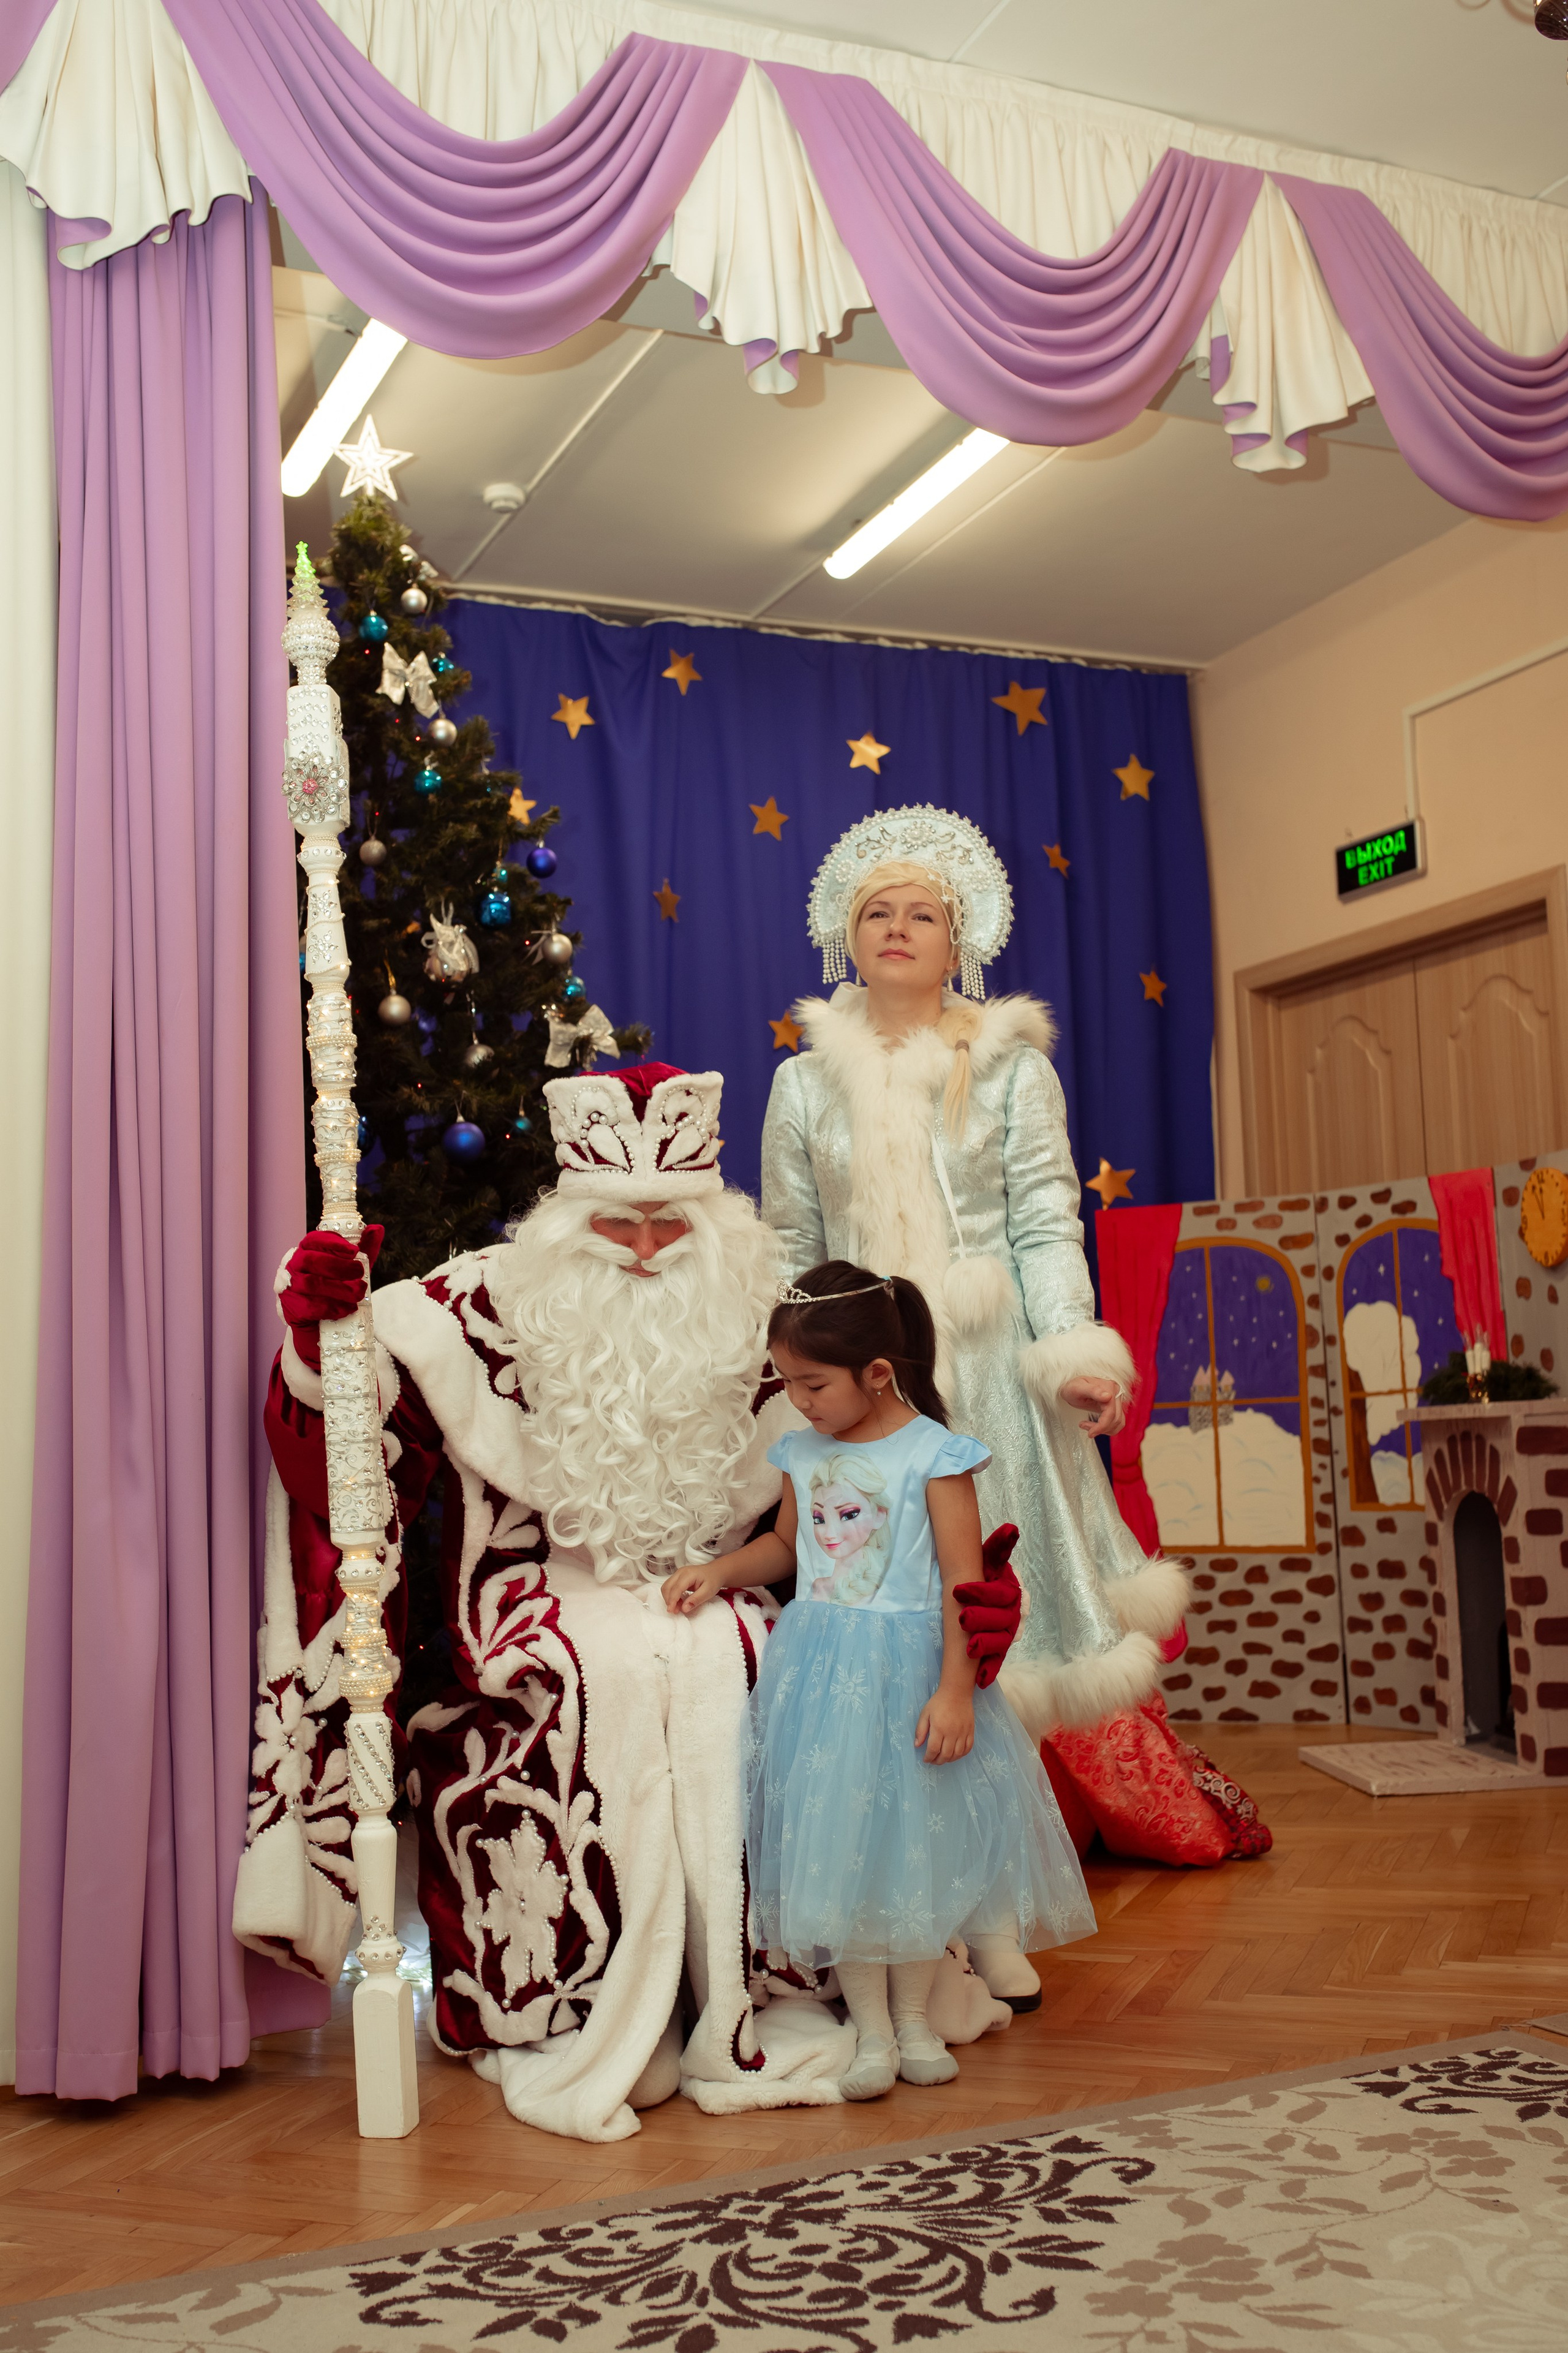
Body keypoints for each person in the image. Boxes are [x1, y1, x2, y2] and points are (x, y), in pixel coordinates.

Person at [234, 1061, 1022, 2142]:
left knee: (742, 1667)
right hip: (536, 1591)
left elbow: (892, 1469)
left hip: (738, 1584)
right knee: (593, 1681)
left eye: (672, 1225)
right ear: (567, 1221)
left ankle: (777, 1993)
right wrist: (326, 1344)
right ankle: (589, 2004)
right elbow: (345, 1481)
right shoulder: (467, 1309)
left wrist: (963, 1595)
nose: (650, 1251)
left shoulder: (783, 1317)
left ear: (718, 1219)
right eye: (620, 1227)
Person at [761, 807, 1211, 2009]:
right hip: (862, 1405)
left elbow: (1042, 1219)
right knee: (888, 1647)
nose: (898, 928)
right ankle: (905, 1917)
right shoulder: (801, 1087)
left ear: (958, 936)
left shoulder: (1010, 1065)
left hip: (990, 1387)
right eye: (876, 911)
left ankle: (996, 1906)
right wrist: (794, 1392)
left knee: (988, 1644)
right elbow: (789, 1252)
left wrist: (1071, 1349)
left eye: (921, 912)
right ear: (842, 934)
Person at [665, 1263, 1094, 2101]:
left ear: (879, 1373)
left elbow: (964, 1586)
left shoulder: (936, 1456)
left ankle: (916, 2020)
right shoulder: (804, 1451)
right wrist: (719, 1569)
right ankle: (869, 2029)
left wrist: (957, 1691)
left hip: (915, 1678)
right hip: (823, 1676)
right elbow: (789, 1550)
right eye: (786, 1382)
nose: (797, 1400)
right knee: (846, 1860)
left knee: (914, 1855)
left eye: (811, 1383)